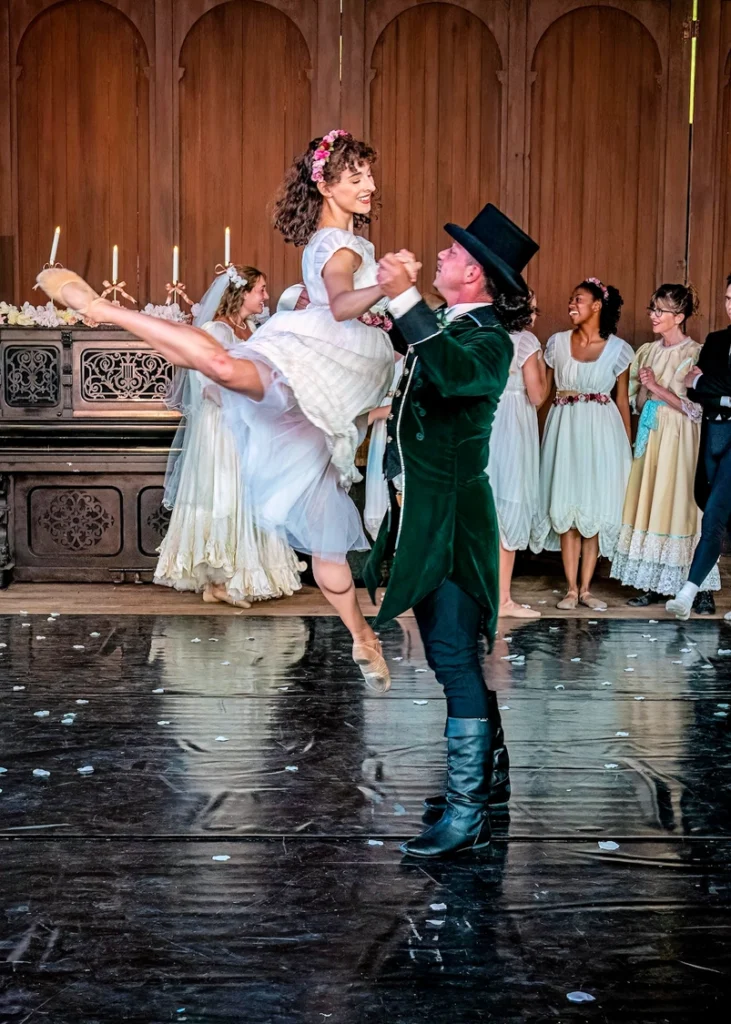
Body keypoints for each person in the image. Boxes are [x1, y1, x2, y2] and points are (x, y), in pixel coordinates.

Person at [37, 131, 418, 692]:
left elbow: (336, 302)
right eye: (355, 175)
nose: (370, 185)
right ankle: (100, 308)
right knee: (219, 366)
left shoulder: (334, 243)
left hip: (334, 380)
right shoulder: (344, 247)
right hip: (321, 364)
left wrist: (384, 296)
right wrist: (389, 288)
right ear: (325, 182)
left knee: (324, 527)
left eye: (369, 175)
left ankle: (362, 636)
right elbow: (340, 305)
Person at [365, 202, 539, 858]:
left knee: (451, 654)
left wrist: (404, 296)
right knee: (452, 655)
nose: (439, 256)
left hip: (457, 522)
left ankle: (467, 812)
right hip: (433, 513)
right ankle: (485, 786)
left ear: (475, 276)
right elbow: (411, 343)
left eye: (451, 254)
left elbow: (447, 371)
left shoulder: (489, 340)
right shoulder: (449, 322)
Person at [155, 264, 304, 607]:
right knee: (225, 494)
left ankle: (245, 573)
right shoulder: (215, 331)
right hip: (223, 424)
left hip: (250, 423)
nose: (266, 296)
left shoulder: (251, 329)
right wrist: (251, 406)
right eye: (261, 290)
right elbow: (208, 385)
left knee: (251, 495)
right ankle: (218, 580)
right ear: (242, 293)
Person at [611, 284, 720, 609]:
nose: (653, 315)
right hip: (653, 436)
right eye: (652, 308)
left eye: (661, 310)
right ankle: (655, 582)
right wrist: (646, 389)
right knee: (653, 500)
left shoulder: (696, 353)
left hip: (682, 439)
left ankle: (699, 586)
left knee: (683, 503)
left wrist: (656, 386)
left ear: (680, 316)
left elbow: (696, 408)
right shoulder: (647, 350)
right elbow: (637, 400)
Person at [530, 279, 633, 611]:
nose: (571, 305)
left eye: (578, 299)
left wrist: (627, 449)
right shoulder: (557, 344)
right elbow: (540, 395)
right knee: (567, 502)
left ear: (597, 305)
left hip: (603, 432)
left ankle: (587, 588)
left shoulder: (619, 350)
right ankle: (570, 589)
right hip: (565, 429)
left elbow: (621, 403)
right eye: (570, 300)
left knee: (594, 503)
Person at [667, 275, 731, 620]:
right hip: (714, 432)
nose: (730, 305)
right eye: (727, 299)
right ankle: (690, 592)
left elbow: (702, 381)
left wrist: (707, 383)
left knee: (717, 512)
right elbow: (692, 389)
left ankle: (688, 591)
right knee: (713, 507)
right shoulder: (717, 340)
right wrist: (710, 386)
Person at [486, 292, 546, 617]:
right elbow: (536, 395)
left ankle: (480, 596)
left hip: (486, 421)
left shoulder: (485, 336)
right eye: (534, 308)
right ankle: (504, 599)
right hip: (513, 425)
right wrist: (546, 377)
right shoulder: (526, 342)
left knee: (487, 503)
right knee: (510, 499)